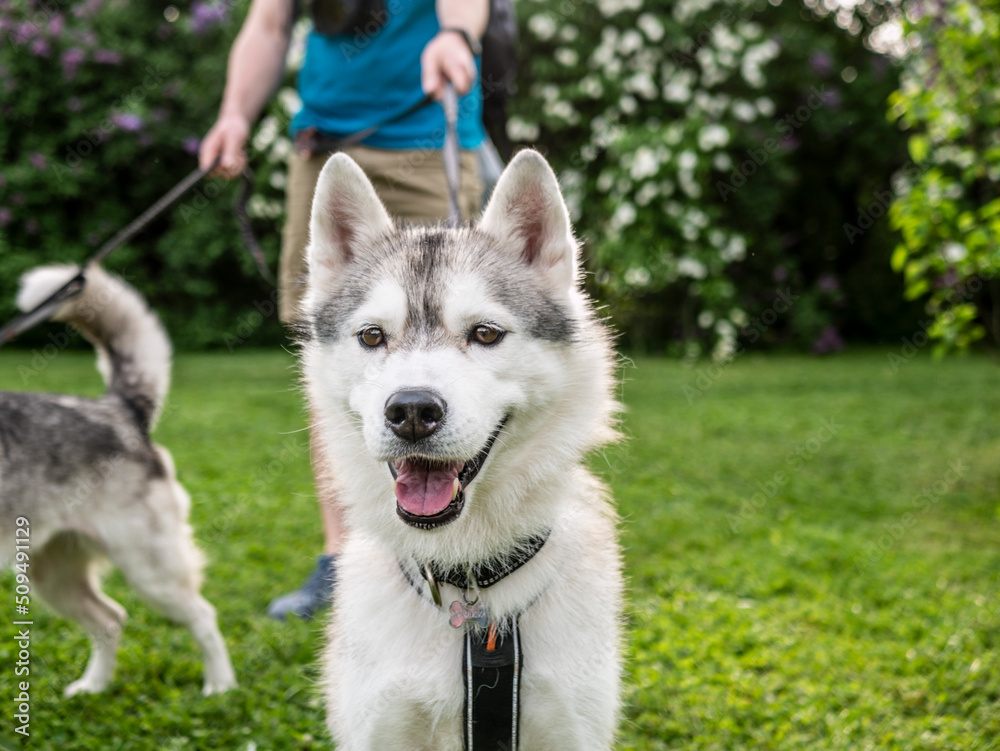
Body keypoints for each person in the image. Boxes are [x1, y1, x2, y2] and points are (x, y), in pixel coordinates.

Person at [199, 0, 488, 619]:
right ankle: (345, 558)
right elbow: (269, 24)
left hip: (426, 132)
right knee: (341, 352)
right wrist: (233, 116)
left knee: (448, 340)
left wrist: (457, 34)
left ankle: (456, 551)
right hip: (324, 146)